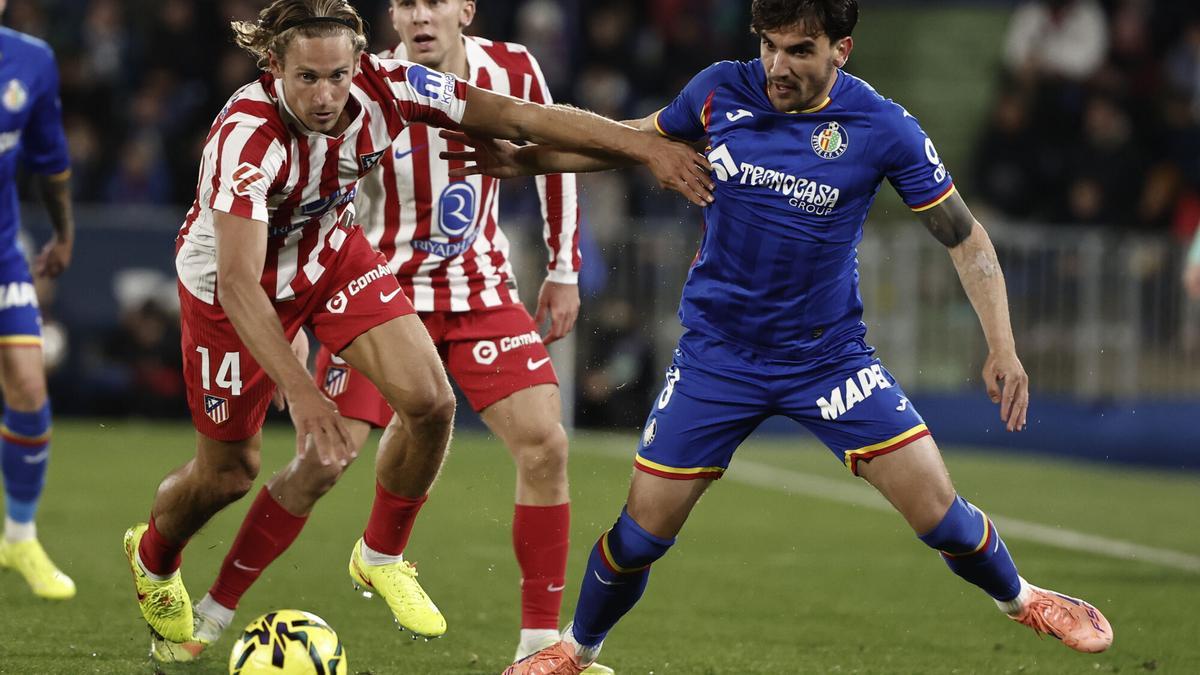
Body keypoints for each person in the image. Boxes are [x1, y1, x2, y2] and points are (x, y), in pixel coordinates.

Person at [446, 1, 1116, 672]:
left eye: (799, 50)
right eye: (769, 45)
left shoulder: (882, 127)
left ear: (840, 50)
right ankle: (576, 649)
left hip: (828, 359)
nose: (777, 65)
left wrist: (1003, 344)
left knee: (938, 513)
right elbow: (629, 139)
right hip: (717, 357)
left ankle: (1024, 599)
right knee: (641, 534)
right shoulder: (719, 90)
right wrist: (528, 161)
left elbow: (964, 237)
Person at [124, 0, 712, 652]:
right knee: (231, 473)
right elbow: (239, 282)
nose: (326, 97)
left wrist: (644, 146)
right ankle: (155, 556)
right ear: (274, 67)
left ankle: (380, 556)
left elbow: (524, 118)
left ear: (359, 63)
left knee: (432, 404)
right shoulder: (245, 136)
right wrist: (302, 388)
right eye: (307, 78)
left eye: (338, 76)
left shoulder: (393, 85)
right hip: (231, 287)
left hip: (332, 256)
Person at [0, 0, 77, 601]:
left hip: (2, 252)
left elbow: (50, 161)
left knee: (28, 384)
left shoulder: (32, 61)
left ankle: (19, 536)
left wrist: (63, 233)